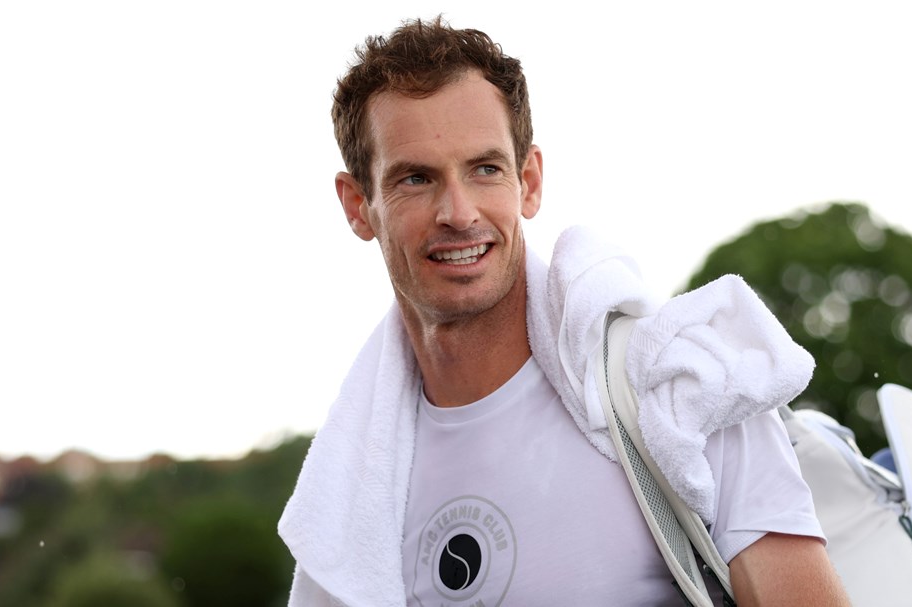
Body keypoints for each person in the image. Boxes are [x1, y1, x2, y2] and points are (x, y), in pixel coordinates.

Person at [279, 16, 851, 606]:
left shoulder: (683, 384)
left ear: (528, 180)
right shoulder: (350, 505)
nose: (458, 211)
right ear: (358, 205)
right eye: (416, 178)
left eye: (485, 169)